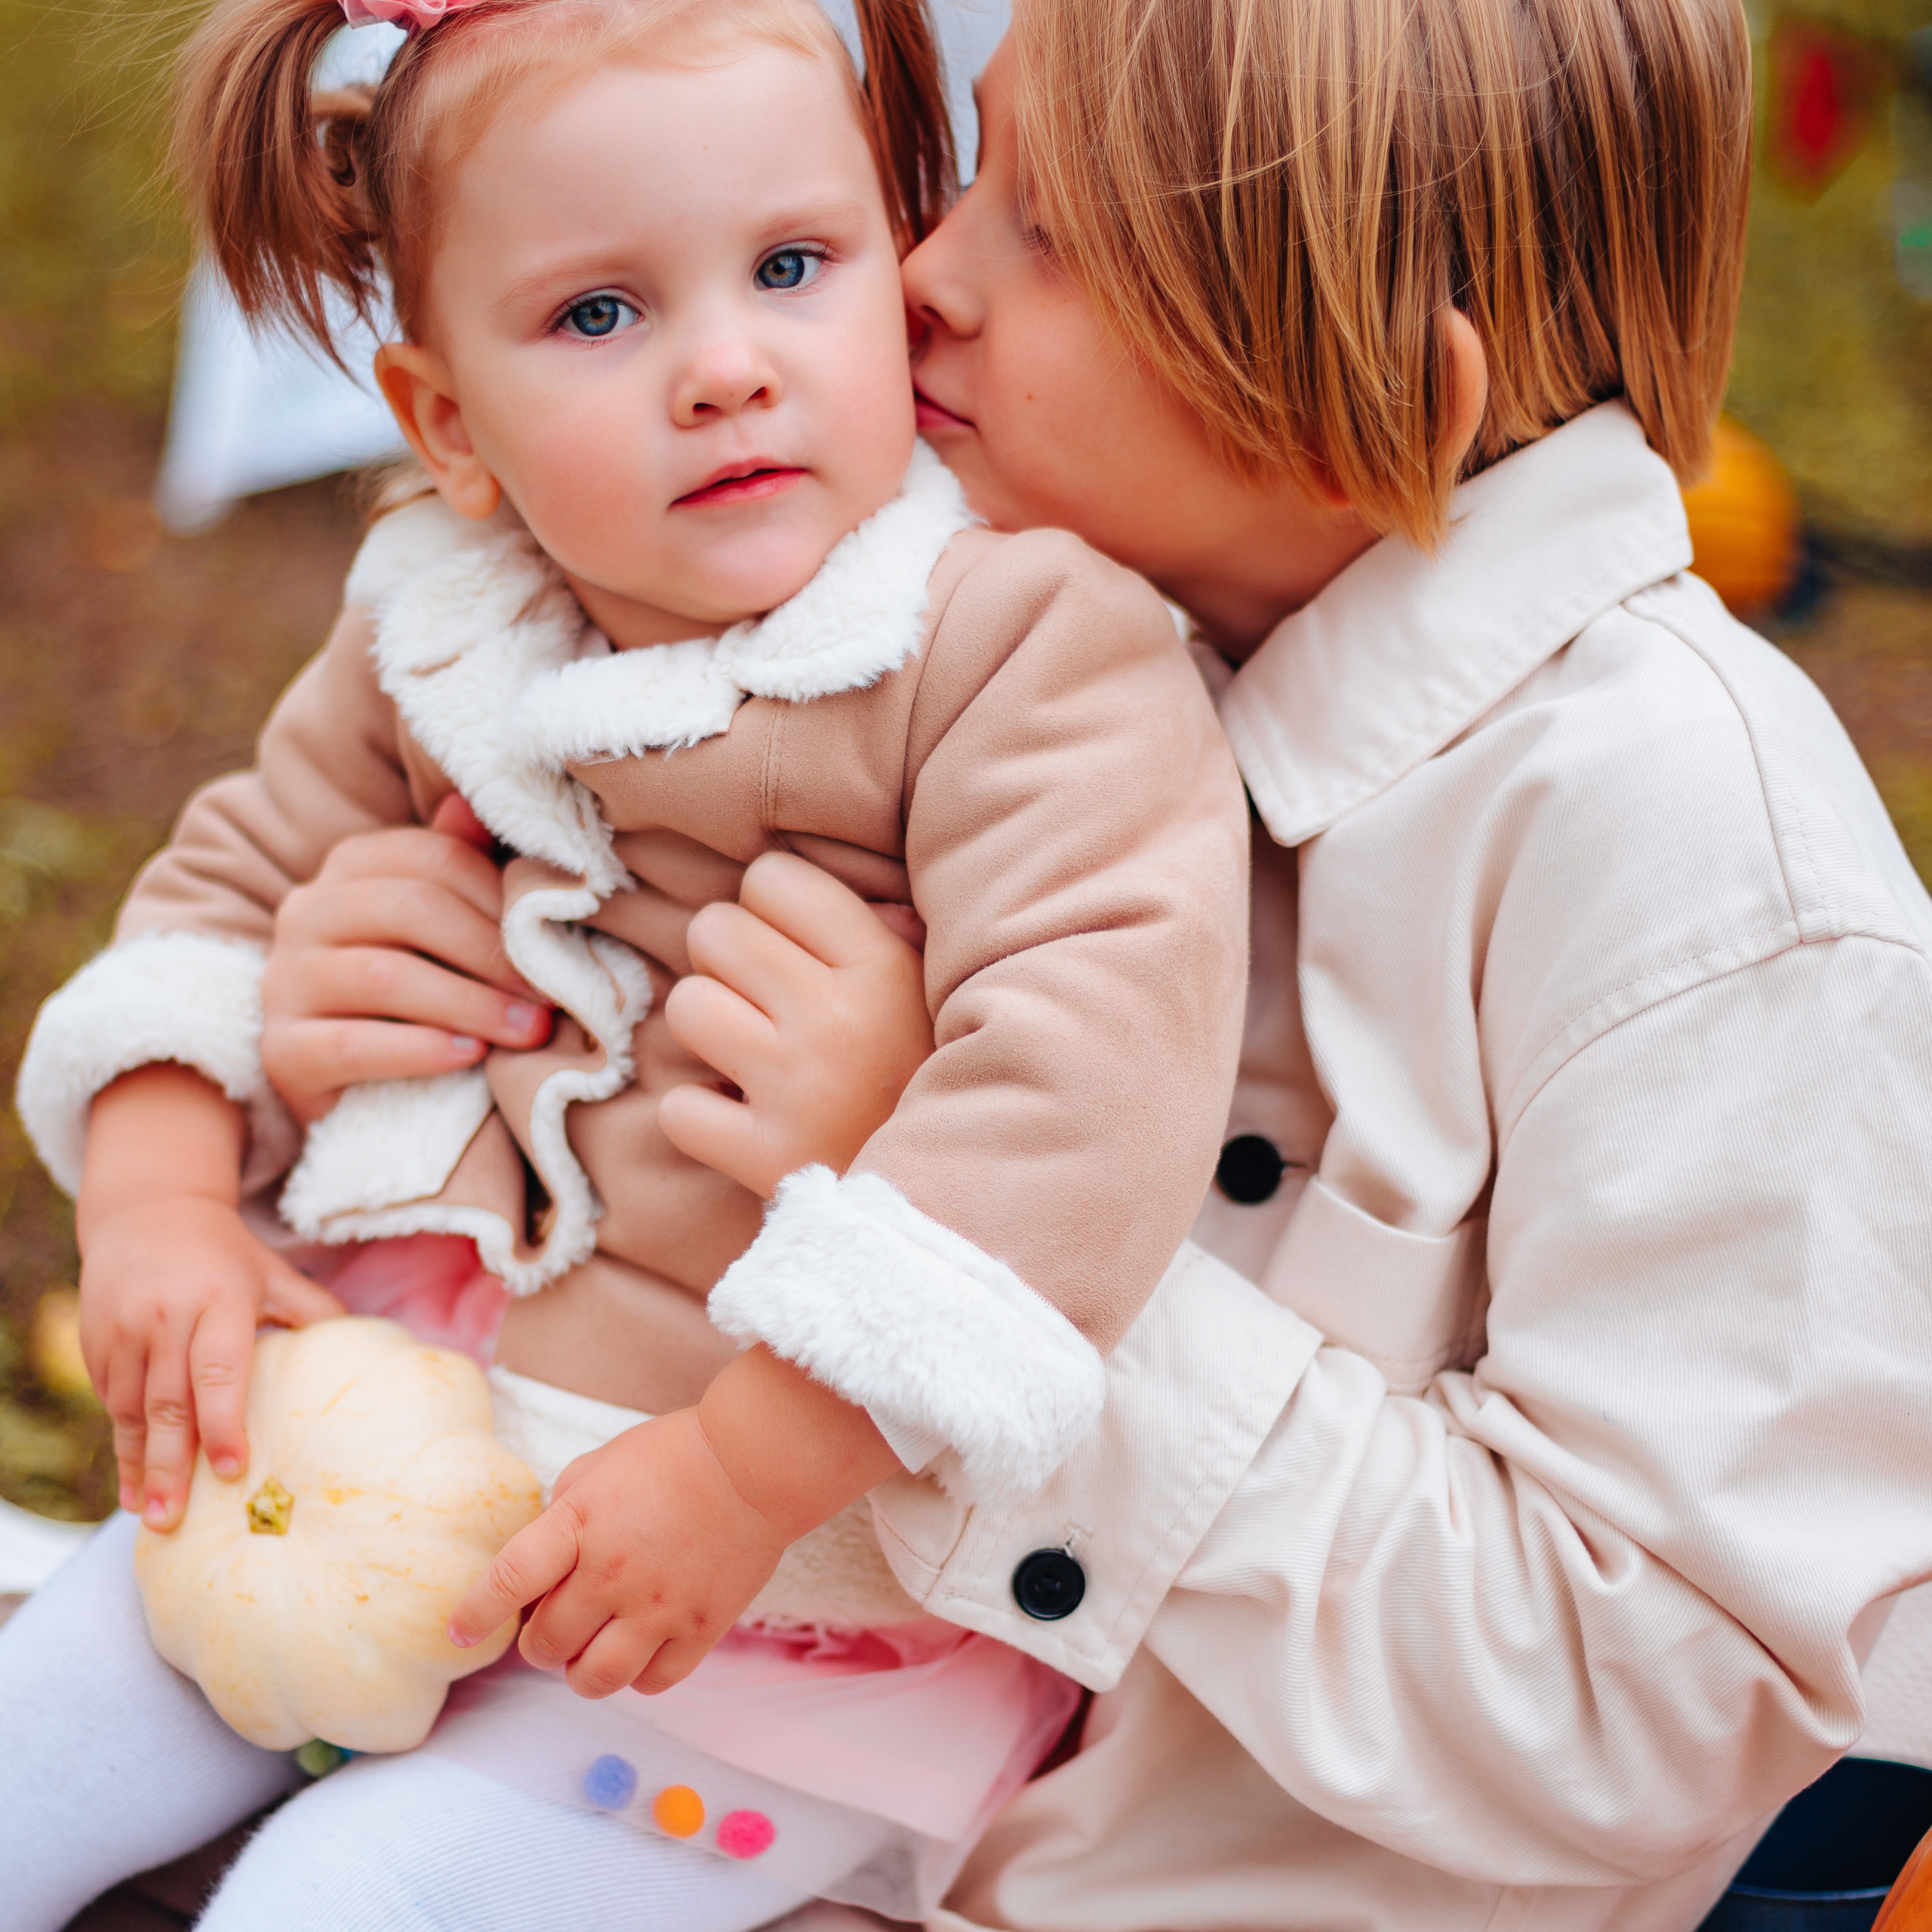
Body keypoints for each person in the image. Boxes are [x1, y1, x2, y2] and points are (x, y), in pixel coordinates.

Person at [203, 1, 1932, 1926]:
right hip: (707, 1747)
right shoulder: (989, 624)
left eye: (1047, 234)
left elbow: (1664, 1714)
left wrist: (959, 1223)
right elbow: (597, 1136)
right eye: (966, 172)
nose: (917, 270)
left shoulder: (1692, 863)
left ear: (1371, 388)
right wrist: (358, 1026)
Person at [0, 0, 1251, 1924]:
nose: (724, 368)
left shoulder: (1011, 646)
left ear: (893, 269)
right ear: (444, 424)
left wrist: (745, 1476)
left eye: (789, 267)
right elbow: (234, 881)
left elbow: (1087, 1083)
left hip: (767, 1594)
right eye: (599, 316)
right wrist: (160, 1193)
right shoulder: (446, 608)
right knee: (41, 1730)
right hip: (380, 1431)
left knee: (345, 1902)